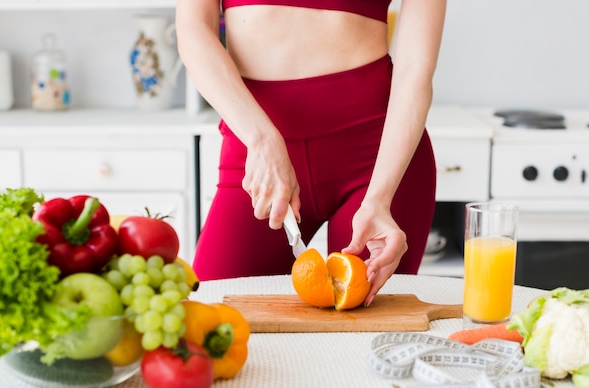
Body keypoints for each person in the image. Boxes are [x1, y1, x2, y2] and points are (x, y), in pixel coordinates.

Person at [176, 0, 447, 306]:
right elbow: (193, 28)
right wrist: (262, 140)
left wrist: (380, 198)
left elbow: (416, 68)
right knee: (208, 312)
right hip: (259, 153)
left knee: (369, 331)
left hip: (378, 160)